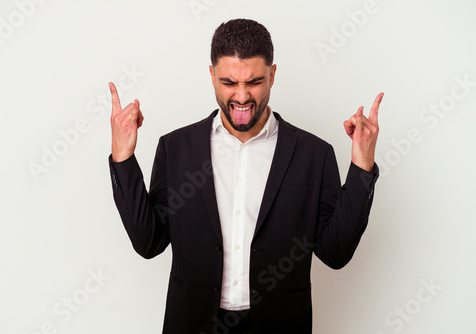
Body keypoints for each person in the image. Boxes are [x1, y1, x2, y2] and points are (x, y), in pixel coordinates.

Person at [108, 18, 382, 334]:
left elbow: (335, 253)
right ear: (211, 76)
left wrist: (362, 163)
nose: (241, 97)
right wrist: (123, 156)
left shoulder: (313, 154)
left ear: (272, 75)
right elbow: (149, 243)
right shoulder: (176, 148)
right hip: (194, 323)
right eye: (228, 82)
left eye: (253, 82)